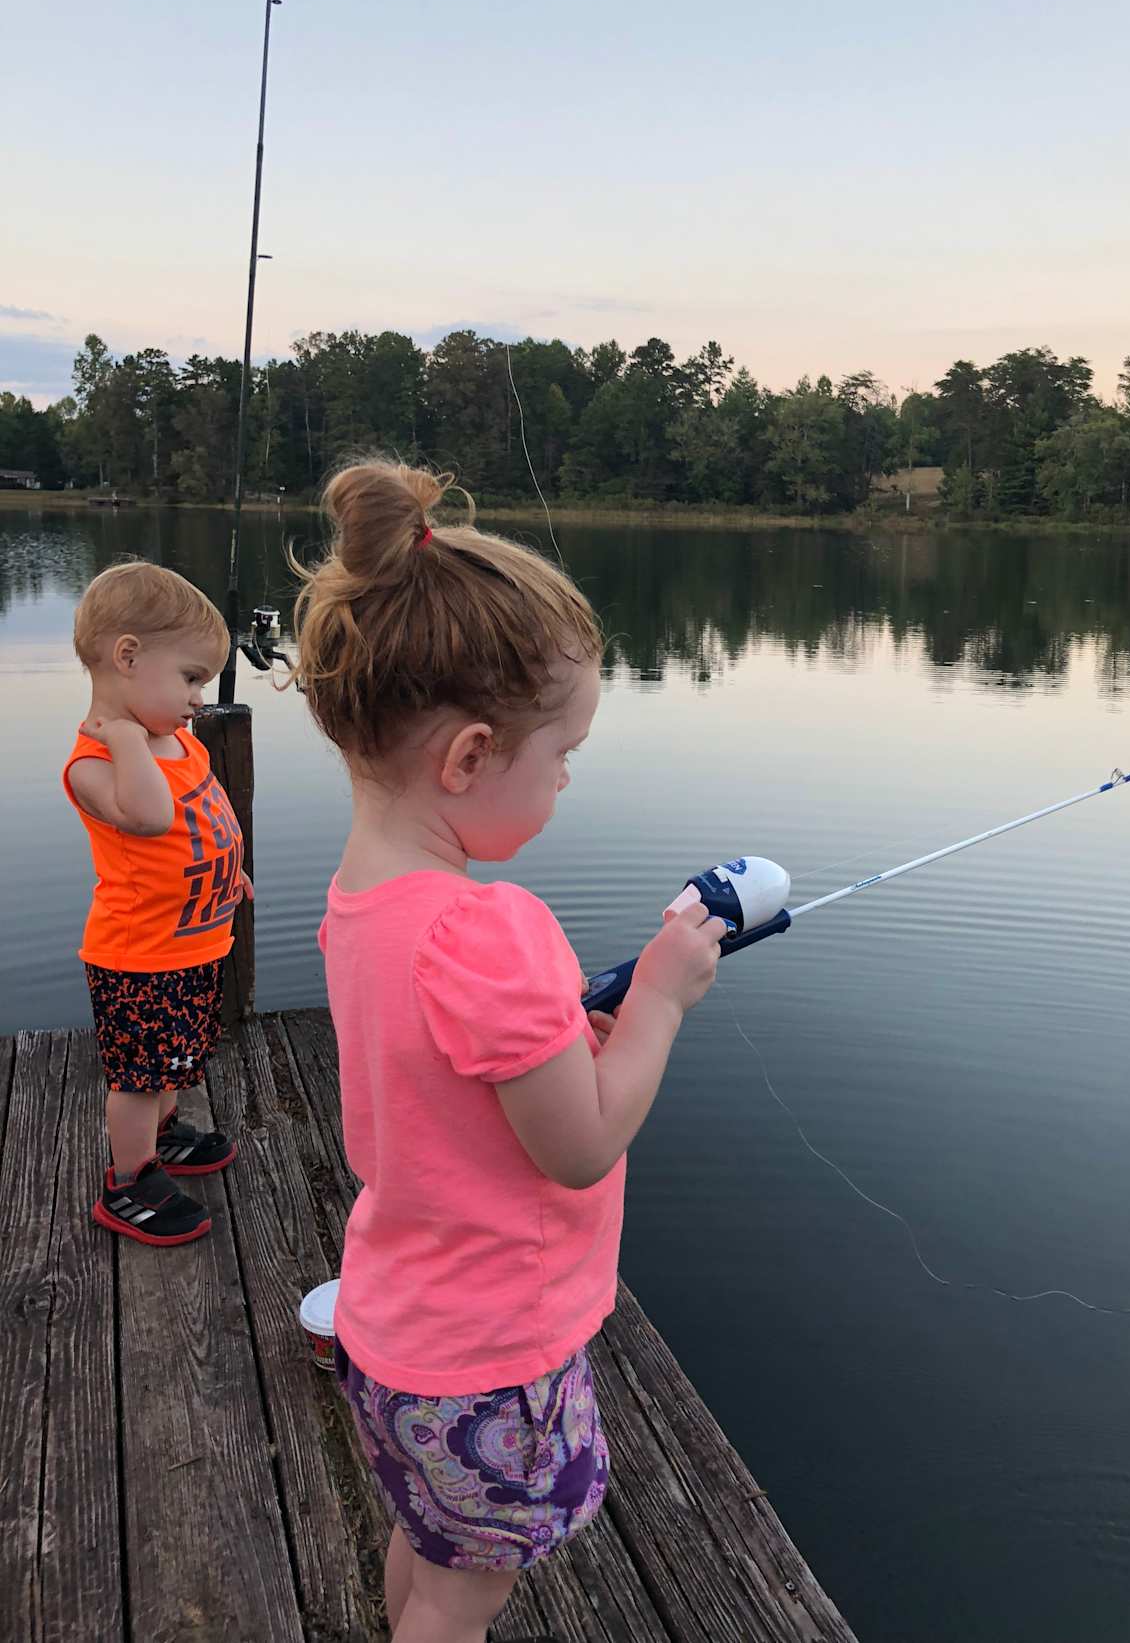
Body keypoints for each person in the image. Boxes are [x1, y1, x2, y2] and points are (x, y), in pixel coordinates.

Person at [292, 461, 724, 1643]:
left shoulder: (360, 900)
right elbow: (579, 1147)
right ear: (470, 757)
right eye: (561, 754)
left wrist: (559, 1037)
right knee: (464, 1596)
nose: (568, 778)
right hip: (489, 1356)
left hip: (396, 1326)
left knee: (427, 1552)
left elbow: (455, 1075)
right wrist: (661, 1006)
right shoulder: (494, 927)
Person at [64, 561, 250, 1245]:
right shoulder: (96, 761)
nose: (199, 697)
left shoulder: (176, 740)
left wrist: (230, 872)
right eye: (190, 677)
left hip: (195, 943)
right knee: (138, 1075)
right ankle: (129, 1181)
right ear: (128, 656)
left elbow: (201, 814)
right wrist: (120, 737)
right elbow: (147, 817)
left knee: (176, 1056)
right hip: (138, 956)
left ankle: (164, 1136)